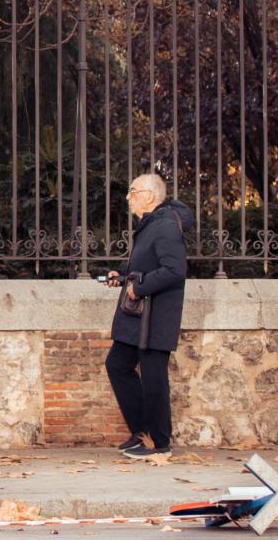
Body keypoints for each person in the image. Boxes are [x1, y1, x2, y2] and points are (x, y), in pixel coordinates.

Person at [103, 172, 193, 460]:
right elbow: (148, 261)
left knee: (154, 376)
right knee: (118, 363)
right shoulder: (150, 225)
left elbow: (174, 270)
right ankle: (142, 432)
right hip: (140, 315)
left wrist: (137, 288)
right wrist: (122, 274)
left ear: (150, 196)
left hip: (157, 314)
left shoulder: (165, 225)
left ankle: (159, 441)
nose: (128, 197)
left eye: (133, 191)